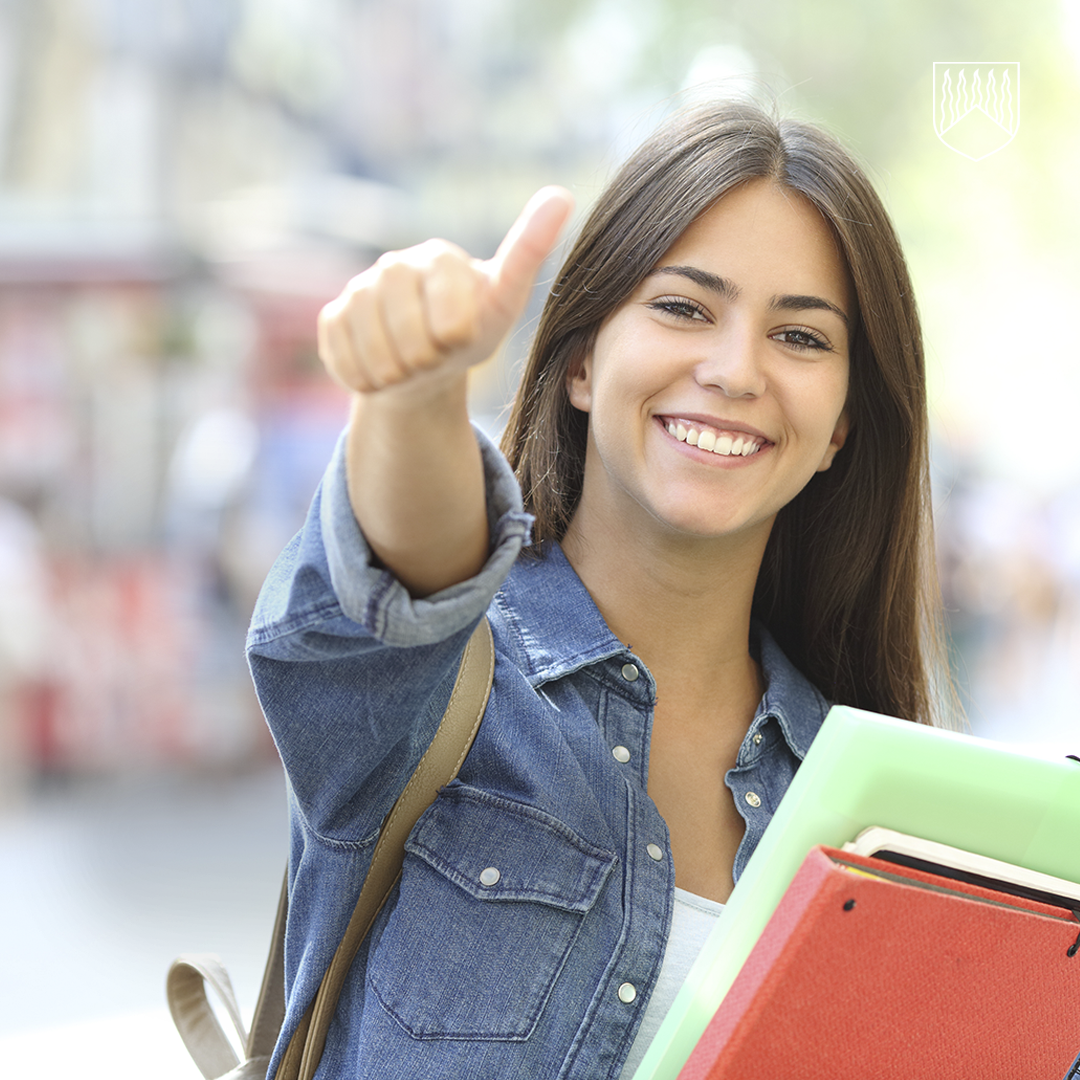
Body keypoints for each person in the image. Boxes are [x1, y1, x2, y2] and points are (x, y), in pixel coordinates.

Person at [246, 99, 953, 1079]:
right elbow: (409, 576)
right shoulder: (437, 693)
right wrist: (414, 398)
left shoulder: (883, 816)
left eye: (800, 338)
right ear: (583, 360)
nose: (734, 369)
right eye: (682, 308)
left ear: (840, 428)